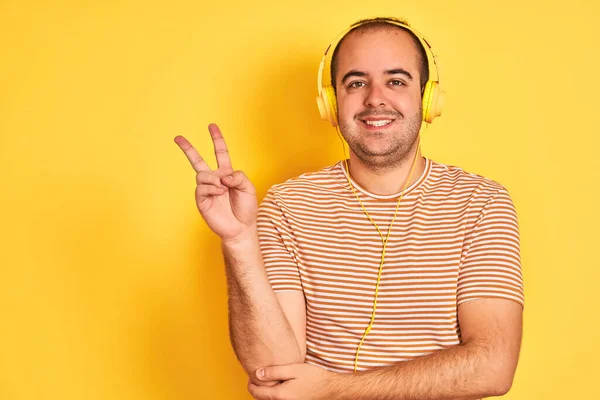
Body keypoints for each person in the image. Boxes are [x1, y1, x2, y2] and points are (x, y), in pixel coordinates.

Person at [175, 16, 523, 400]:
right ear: (331, 103)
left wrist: (333, 389)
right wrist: (239, 242)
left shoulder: (481, 202)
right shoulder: (286, 205)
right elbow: (273, 370)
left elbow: (492, 366)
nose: (375, 98)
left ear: (426, 98)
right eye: (356, 83)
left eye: (396, 80)